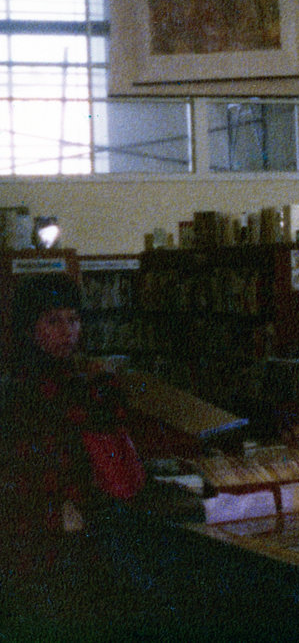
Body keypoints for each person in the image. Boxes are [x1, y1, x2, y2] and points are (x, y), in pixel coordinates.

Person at [0, 273, 148, 641]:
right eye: (53, 321)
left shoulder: (81, 380)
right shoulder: (22, 387)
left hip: (82, 524)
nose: (68, 331)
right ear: (29, 329)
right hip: (40, 531)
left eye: (74, 319)